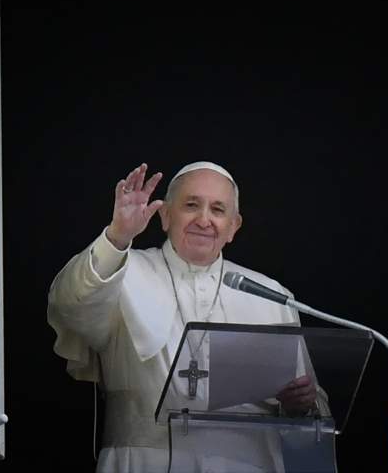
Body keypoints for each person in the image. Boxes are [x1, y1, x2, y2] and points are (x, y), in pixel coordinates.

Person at [47, 161, 317, 473]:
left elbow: (311, 416)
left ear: (234, 226)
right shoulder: (121, 271)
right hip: (142, 463)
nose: (204, 220)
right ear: (165, 215)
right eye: (191, 205)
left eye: (218, 210)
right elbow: (70, 304)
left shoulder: (271, 295)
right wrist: (117, 236)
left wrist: (300, 403)